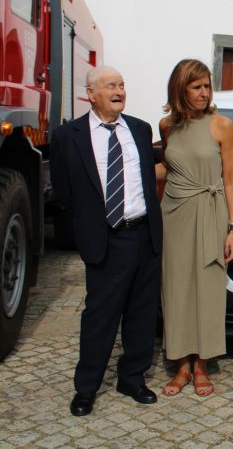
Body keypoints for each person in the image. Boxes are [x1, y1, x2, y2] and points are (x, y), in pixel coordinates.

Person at [51, 66, 163, 416]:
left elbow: (150, 179)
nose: (119, 91)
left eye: (122, 85)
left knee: (142, 313)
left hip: (144, 234)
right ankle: (86, 388)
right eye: (111, 85)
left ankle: (132, 378)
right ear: (91, 93)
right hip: (106, 239)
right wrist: (89, 227)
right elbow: (63, 192)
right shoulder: (67, 136)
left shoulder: (140, 130)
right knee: (100, 316)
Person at [159, 59, 233, 397]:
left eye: (207, 86)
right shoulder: (167, 126)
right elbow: (170, 169)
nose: (204, 92)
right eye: (197, 87)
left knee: (208, 289)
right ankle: (181, 365)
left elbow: (230, 178)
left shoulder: (222, 125)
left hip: (211, 212)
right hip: (175, 214)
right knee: (176, 288)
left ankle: (202, 365)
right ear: (181, 89)